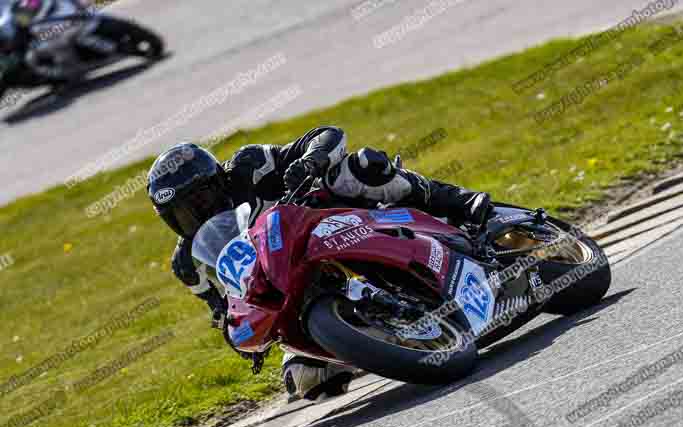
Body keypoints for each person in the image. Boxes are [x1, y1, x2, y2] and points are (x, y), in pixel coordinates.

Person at [147, 126, 492, 401]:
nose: (196, 214)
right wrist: (241, 335)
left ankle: (459, 202)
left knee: (360, 168)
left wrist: (310, 161)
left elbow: (328, 134)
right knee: (308, 380)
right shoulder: (190, 263)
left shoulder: (249, 167)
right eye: (180, 213)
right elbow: (226, 311)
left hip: (334, 224)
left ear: (218, 180)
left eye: (200, 199)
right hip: (295, 294)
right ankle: (390, 328)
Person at [0, 0, 113, 82]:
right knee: (30, 57)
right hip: (14, 40)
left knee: (52, 41)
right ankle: (66, 75)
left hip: (27, 23)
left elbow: (24, 10)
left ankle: (71, 69)